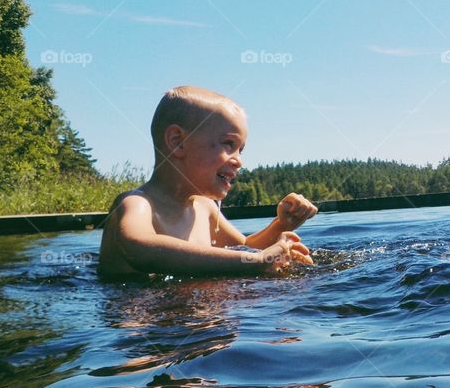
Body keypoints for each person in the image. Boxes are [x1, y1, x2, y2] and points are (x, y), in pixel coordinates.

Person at [99, 86, 318, 276]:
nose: (239, 161)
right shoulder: (137, 204)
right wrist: (255, 263)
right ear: (178, 142)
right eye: (228, 145)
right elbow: (139, 248)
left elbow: (245, 248)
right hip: (140, 317)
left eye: (241, 150)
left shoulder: (205, 208)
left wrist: (281, 225)